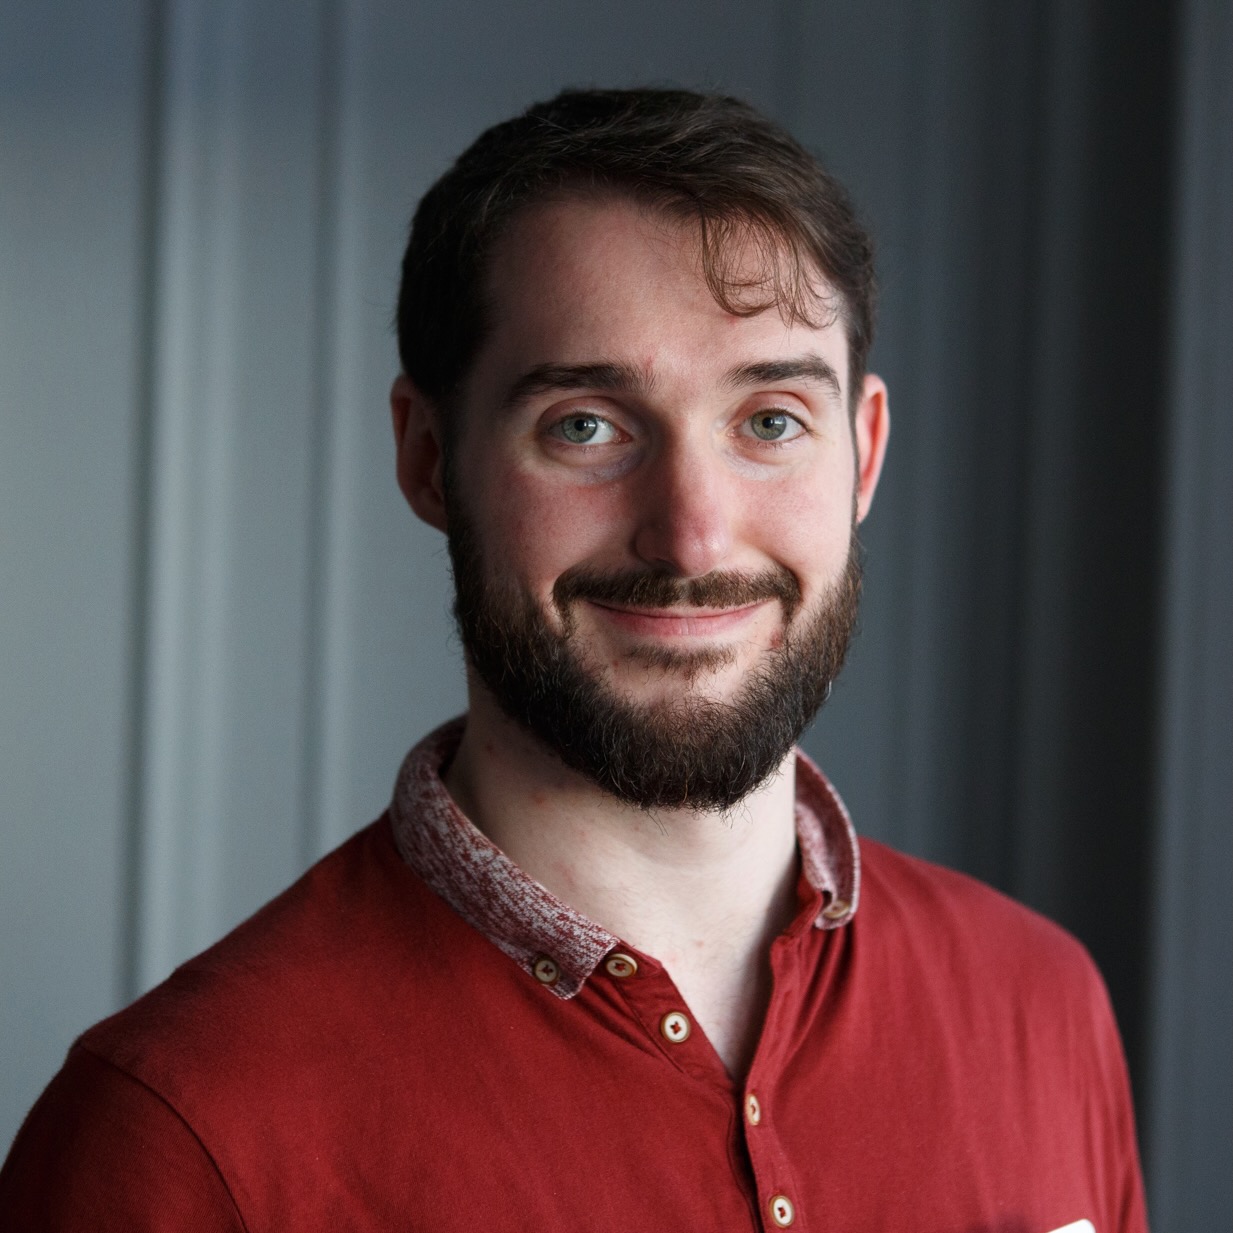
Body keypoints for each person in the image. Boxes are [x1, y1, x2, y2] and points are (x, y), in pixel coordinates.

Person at [0, 87, 1147, 1232]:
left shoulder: (1041, 1002)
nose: (693, 535)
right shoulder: (180, 1137)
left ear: (864, 454)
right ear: (429, 459)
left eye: (771, 420)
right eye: (586, 425)